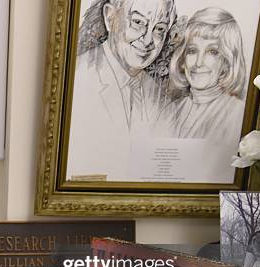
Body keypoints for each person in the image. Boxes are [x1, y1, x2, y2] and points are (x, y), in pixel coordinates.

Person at [66, 0, 176, 181]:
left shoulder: (158, 97)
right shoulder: (77, 77)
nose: (148, 40)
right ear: (110, 17)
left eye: (159, 29)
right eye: (138, 22)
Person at [159, 7, 247, 140]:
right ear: (182, 58)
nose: (199, 63)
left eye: (212, 52)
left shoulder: (237, 114)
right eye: (192, 51)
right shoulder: (171, 110)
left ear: (227, 62)